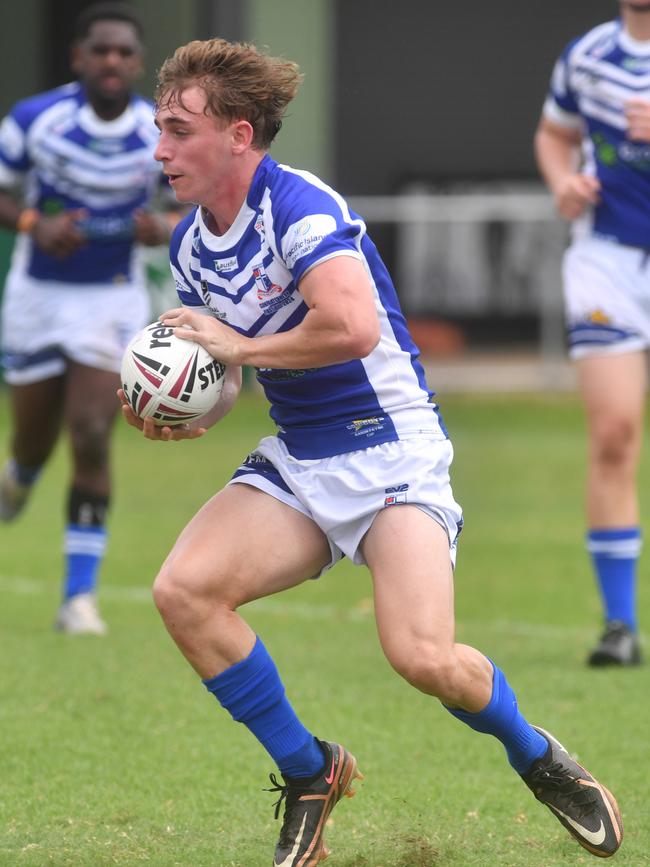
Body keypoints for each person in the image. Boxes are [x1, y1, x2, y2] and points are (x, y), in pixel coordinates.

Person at [120, 38, 623, 865]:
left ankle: (536, 753)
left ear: (240, 135)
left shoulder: (300, 207)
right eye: (160, 129)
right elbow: (228, 367)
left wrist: (237, 351)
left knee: (422, 656)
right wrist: (186, 407)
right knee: (185, 591)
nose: (161, 149)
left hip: (391, 451)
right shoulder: (189, 247)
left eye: (178, 129)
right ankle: (310, 770)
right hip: (302, 460)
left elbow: (351, 328)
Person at [0, 2, 179, 634]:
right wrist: (32, 222)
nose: (112, 62)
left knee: (92, 431)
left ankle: (79, 599)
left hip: (111, 298)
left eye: (124, 53)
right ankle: (18, 475)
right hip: (37, 296)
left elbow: (193, 208)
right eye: (100, 50)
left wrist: (166, 227)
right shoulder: (34, 121)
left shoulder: (158, 133)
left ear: (138, 62)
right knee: (32, 439)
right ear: (79, 57)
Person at [534, 0, 650, 667]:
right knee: (613, 433)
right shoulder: (587, 56)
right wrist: (562, 182)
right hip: (606, 260)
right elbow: (553, 134)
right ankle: (620, 625)